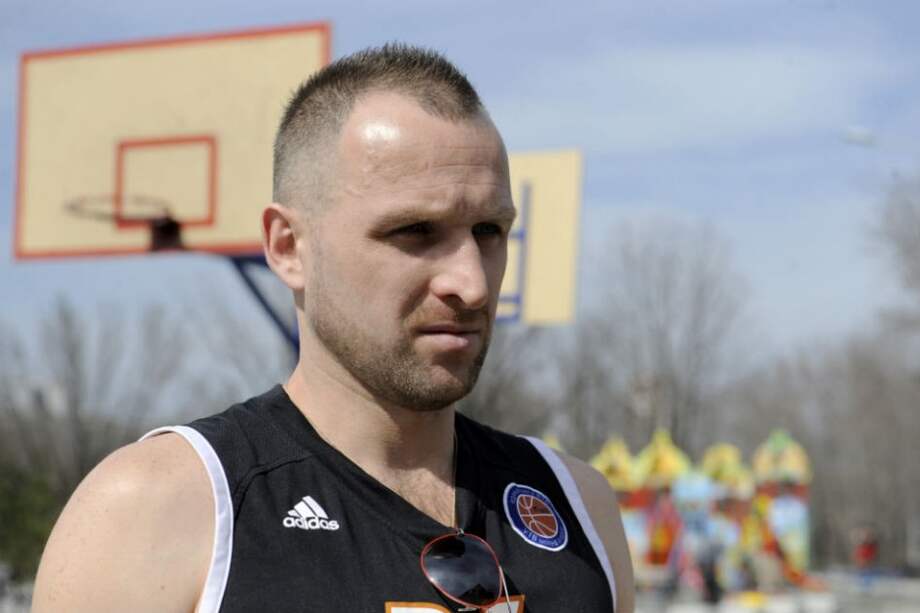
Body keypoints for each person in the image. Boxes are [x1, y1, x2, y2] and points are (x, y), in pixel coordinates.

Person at [32, 44, 634, 612]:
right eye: (414, 232)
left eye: (489, 231)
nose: (472, 284)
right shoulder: (158, 510)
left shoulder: (579, 505)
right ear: (289, 247)